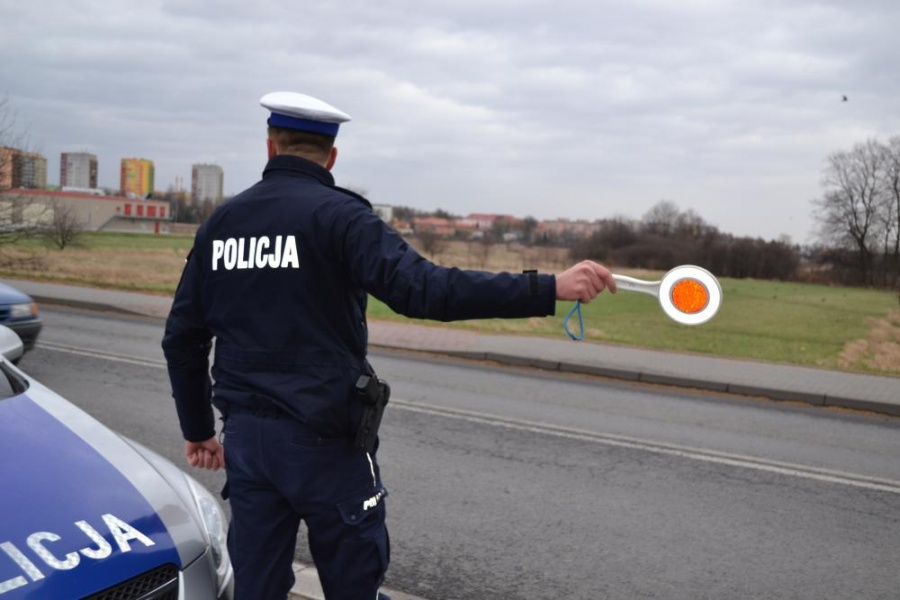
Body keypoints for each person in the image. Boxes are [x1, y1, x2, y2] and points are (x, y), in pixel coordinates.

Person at [162, 91, 617, 600]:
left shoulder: (221, 225)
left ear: (270, 148)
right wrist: (549, 287)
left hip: (247, 445)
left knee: (256, 588)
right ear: (332, 157)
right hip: (325, 444)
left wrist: (200, 429)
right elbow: (426, 289)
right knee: (355, 584)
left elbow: (182, 337)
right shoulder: (342, 218)